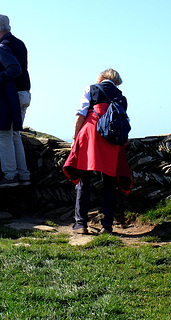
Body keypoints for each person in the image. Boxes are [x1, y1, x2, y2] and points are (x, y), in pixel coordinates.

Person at [63, 68, 132, 234]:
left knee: (84, 181)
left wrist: (74, 139)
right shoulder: (121, 97)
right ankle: (107, 225)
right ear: (115, 82)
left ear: (101, 78)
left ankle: (81, 224)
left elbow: (80, 114)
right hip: (111, 138)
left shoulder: (91, 89)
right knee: (109, 183)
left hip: (91, 135)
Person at [0, 14, 31, 188]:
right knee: (15, 134)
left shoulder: (3, 46)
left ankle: (10, 176)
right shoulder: (19, 43)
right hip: (25, 92)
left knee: (3, 134)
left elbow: (14, 69)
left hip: (12, 95)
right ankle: (24, 175)